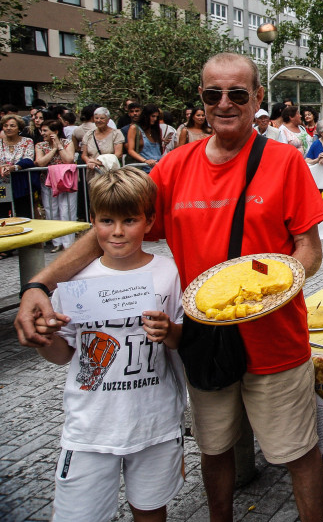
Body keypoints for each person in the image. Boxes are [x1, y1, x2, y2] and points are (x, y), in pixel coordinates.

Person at [16, 52, 323, 522]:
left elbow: (309, 249)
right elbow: (109, 229)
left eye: (238, 94)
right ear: (201, 99)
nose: (224, 103)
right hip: (201, 337)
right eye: (212, 94)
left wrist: (276, 295)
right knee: (215, 446)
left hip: (275, 337)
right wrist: (39, 282)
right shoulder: (173, 167)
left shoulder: (285, 161)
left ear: (257, 99)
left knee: (297, 450)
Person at [31, 167, 184, 522]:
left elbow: (182, 341)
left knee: (151, 510)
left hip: (154, 422)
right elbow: (63, 355)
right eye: (106, 221)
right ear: (92, 221)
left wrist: (169, 331)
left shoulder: (168, 273)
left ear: (148, 222)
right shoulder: (76, 281)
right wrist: (45, 336)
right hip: (91, 426)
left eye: (129, 220)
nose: (117, 232)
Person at [35, 119, 77, 251]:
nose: (42, 133)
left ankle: (68, 243)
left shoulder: (67, 143)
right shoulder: (40, 146)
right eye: (42, 130)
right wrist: (53, 150)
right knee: (51, 210)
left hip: (66, 181)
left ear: (56, 132)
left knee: (67, 210)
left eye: (45, 130)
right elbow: (41, 162)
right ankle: (56, 242)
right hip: (47, 182)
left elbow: (68, 159)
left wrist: (58, 145)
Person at [0, 113, 35, 218]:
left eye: (12, 125)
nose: (8, 128)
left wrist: (13, 167)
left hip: (21, 183)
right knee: (3, 214)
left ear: (19, 128)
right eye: (5, 126)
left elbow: (28, 159)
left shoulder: (27, 141)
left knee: (24, 213)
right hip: (2, 184)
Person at [126, 105, 171, 171]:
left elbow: (159, 151)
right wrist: (145, 161)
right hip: (143, 168)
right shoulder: (134, 128)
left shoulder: (157, 130)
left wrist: (164, 143)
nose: (155, 119)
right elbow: (130, 150)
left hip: (158, 167)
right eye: (153, 116)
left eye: (157, 117)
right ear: (146, 116)